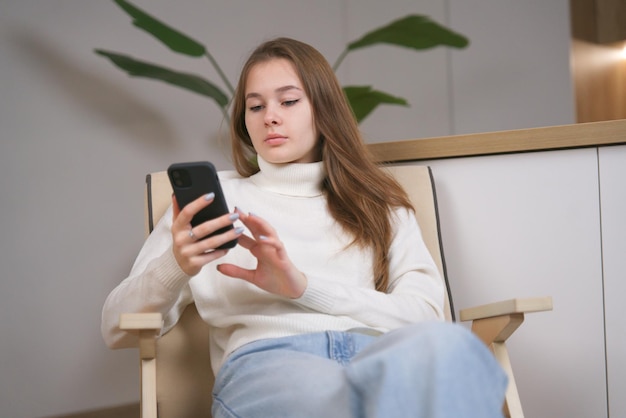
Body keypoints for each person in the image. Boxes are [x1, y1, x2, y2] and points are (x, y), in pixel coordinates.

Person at [102, 37, 507, 418]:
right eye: (255, 107)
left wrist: (302, 287)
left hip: (380, 358)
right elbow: (115, 328)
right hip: (271, 364)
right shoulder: (212, 204)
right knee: (344, 398)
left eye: (289, 101)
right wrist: (176, 266)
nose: (271, 117)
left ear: (323, 108)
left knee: (453, 348)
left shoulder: (378, 202)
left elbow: (428, 316)